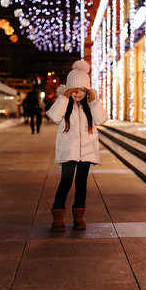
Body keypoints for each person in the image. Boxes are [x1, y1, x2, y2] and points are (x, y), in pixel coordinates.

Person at [46, 60, 108, 232]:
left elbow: (101, 120)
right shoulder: (65, 106)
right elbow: (53, 116)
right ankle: (58, 217)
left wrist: (94, 100)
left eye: (82, 90)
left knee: (81, 184)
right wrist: (64, 97)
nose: (78, 94)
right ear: (69, 91)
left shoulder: (90, 107)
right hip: (68, 152)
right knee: (65, 182)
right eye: (74, 90)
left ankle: (78, 216)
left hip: (86, 153)